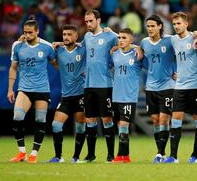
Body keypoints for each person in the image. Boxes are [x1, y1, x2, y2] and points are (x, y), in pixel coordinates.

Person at [7, 16, 57, 163]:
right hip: (24, 89)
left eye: (30, 32)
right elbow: (13, 68)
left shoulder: (47, 46)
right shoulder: (17, 45)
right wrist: (10, 89)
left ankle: (34, 154)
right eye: (25, 32)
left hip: (42, 89)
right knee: (17, 117)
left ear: (37, 31)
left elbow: (56, 64)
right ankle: (22, 152)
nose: (27, 35)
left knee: (40, 120)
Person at [163, 12, 197, 164]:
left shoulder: (195, 38)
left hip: (196, 86)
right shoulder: (172, 40)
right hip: (179, 86)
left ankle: (195, 155)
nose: (176, 26)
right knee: (175, 119)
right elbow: (153, 39)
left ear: (186, 24)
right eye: (174, 24)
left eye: (179, 23)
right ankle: (173, 156)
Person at [82, 9, 118, 162]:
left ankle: (110, 155)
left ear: (98, 20)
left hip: (105, 84)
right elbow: (78, 46)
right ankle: (91, 155)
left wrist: (114, 33)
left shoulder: (109, 35)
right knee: (89, 120)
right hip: (89, 85)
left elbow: (126, 40)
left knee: (106, 120)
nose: (88, 24)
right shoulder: (87, 36)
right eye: (86, 22)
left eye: (91, 21)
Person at [47, 25, 86, 163]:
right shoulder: (59, 50)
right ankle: (58, 157)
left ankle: (76, 157)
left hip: (81, 95)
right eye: (64, 34)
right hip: (66, 96)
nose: (66, 37)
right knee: (56, 125)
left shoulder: (83, 49)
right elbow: (52, 60)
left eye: (69, 34)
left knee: (80, 126)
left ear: (76, 36)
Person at [140, 15, 176, 163]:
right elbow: (137, 50)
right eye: (148, 26)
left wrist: (178, 71)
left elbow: (183, 52)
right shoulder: (144, 43)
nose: (150, 29)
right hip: (151, 87)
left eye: (152, 26)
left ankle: (160, 153)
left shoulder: (169, 41)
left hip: (167, 86)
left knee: (163, 119)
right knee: (155, 119)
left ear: (160, 26)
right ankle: (160, 151)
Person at [110, 28, 142, 163]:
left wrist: (138, 47)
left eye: (124, 38)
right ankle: (126, 156)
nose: (121, 40)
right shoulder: (114, 54)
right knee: (120, 127)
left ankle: (119, 156)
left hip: (129, 97)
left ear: (131, 40)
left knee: (123, 126)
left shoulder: (137, 54)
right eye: (119, 38)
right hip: (116, 96)